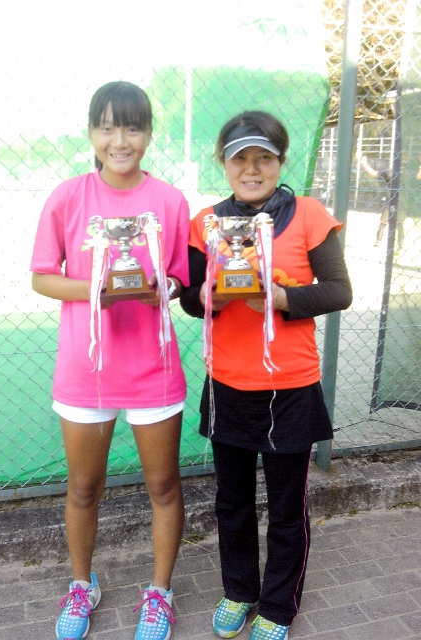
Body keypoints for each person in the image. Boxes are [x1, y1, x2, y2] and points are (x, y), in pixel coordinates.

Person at [180, 111, 352, 640]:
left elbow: (339, 290)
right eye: (240, 158)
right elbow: (189, 299)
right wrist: (206, 297)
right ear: (223, 163)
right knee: (231, 501)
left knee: (285, 509)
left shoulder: (308, 214)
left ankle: (278, 607)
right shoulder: (207, 222)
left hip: (291, 388)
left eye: (264, 158)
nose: (251, 169)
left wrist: (281, 298)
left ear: (281, 162)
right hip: (228, 384)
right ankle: (238, 591)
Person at [30, 81, 190, 640]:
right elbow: (42, 277)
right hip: (86, 371)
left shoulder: (169, 201)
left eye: (132, 127)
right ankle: (82, 585)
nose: (120, 140)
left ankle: (160, 593)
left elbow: (178, 278)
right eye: (107, 127)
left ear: (149, 134)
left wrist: (161, 288)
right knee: (83, 489)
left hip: (153, 369)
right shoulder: (68, 197)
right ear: (91, 133)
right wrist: (95, 290)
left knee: (164, 487)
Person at [359, 155, 405, 250]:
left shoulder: (391, 172)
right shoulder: (401, 173)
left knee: (385, 224)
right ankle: (396, 245)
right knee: (397, 225)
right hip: (398, 203)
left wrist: (364, 164)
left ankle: (379, 243)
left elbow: (373, 174)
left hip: (393, 203)